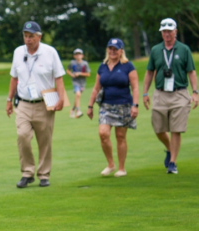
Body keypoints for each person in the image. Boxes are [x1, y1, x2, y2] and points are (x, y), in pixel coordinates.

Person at [6, 21, 66, 188]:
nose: (28, 39)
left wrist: (61, 99)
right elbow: (14, 77)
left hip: (45, 102)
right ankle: (27, 172)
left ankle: (44, 174)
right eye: (25, 36)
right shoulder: (18, 52)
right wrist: (9, 100)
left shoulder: (50, 52)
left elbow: (59, 77)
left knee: (44, 140)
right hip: (23, 103)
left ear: (39, 36)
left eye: (31, 36)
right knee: (23, 136)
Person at [143, 18, 198, 174]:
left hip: (180, 93)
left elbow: (191, 72)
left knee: (176, 129)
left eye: (169, 30)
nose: (167, 33)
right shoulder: (155, 50)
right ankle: (169, 149)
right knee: (158, 128)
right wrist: (145, 93)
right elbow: (149, 72)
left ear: (175, 31)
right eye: (164, 31)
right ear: (161, 32)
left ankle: (173, 162)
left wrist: (195, 92)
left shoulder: (184, 49)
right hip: (160, 93)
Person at [86, 39, 139, 177]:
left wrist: (135, 105)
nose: (112, 51)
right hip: (106, 105)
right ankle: (111, 164)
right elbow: (96, 88)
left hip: (124, 105)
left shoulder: (128, 66)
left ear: (121, 50)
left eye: (115, 49)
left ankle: (121, 168)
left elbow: (135, 87)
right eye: (110, 48)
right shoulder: (102, 66)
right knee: (103, 134)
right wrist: (90, 106)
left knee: (120, 136)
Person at [66, 48, 90, 118]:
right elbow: (67, 70)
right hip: (75, 81)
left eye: (79, 54)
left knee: (78, 97)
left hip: (82, 82)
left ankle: (72, 110)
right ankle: (78, 111)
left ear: (82, 55)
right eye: (76, 54)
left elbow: (88, 74)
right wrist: (72, 75)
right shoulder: (72, 62)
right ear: (74, 56)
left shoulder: (85, 63)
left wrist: (79, 73)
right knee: (78, 94)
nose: (78, 56)